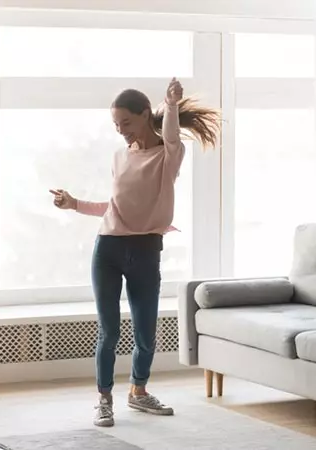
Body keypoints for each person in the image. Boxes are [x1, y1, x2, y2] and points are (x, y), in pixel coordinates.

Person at [49, 78, 220, 427]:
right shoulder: (119, 156)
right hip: (108, 249)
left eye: (126, 123)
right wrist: (74, 204)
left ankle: (138, 392)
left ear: (145, 115)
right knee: (108, 331)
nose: (121, 131)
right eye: (115, 125)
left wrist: (171, 104)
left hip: (145, 251)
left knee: (145, 333)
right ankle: (104, 398)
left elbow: (171, 135)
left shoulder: (168, 155)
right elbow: (114, 207)